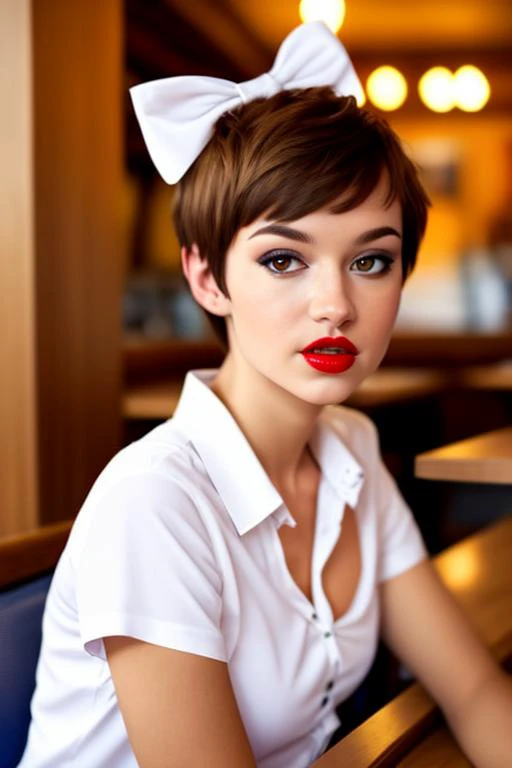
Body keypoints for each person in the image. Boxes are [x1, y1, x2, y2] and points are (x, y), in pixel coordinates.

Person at [19, 21, 512, 768]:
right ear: (207, 277)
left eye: (371, 262)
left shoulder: (350, 447)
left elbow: (473, 691)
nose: (335, 305)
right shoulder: (156, 503)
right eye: (284, 259)